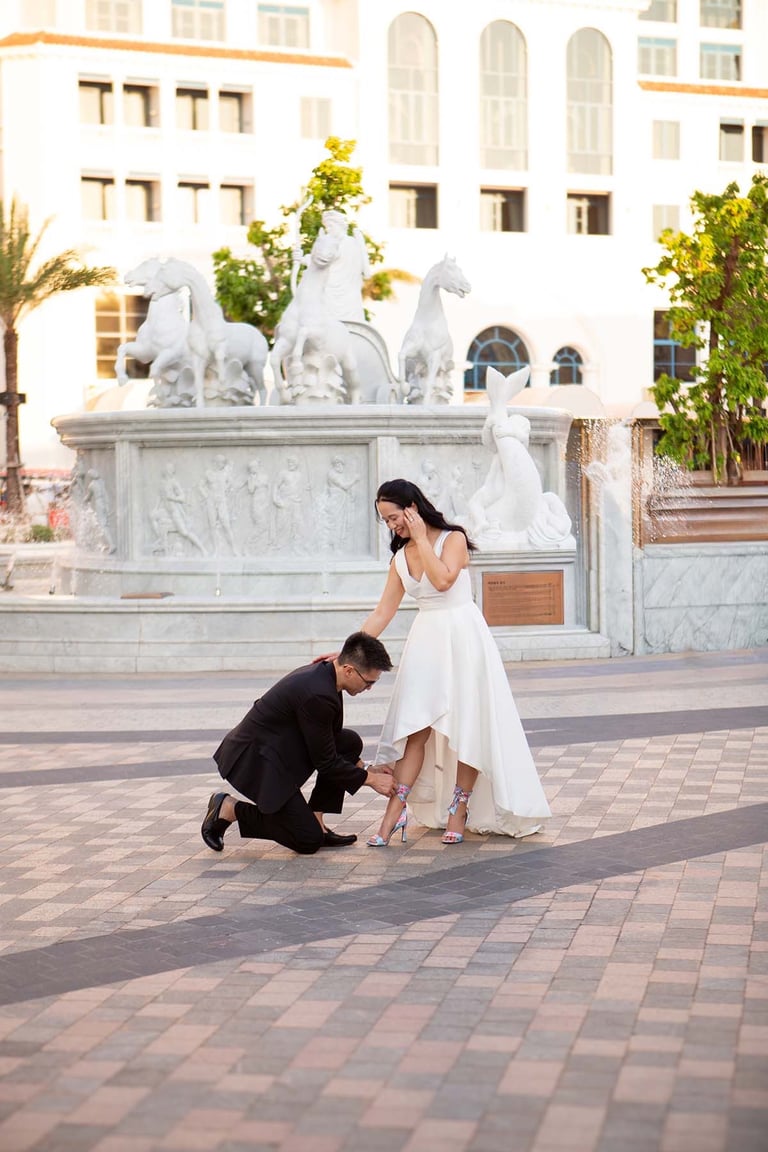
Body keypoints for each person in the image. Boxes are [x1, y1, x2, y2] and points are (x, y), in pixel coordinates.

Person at [358, 478, 551, 846]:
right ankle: (391, 817)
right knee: (416, 729)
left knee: (467, 726)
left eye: (394, 517)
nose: (391, 526)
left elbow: (444, 580)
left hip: (463, 638)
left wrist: (420, 539)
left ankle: (458, 810)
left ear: (413, 508)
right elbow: (384, 611)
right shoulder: (399, 560)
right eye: (385, 521)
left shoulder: (454, 539)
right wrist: (349, 650)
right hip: (426, 642)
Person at [201, 632, 395, 856]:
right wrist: (372, 780)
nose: (369, 688)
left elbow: (329, 742)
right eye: (368, 682)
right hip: (256, 760)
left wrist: (366, 768)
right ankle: (229, 808)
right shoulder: (318, 695)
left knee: (348, 742)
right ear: (349, 670)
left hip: (278, 748)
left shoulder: (329, 675)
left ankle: (317, 820)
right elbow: (326, 763)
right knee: (306, 839)